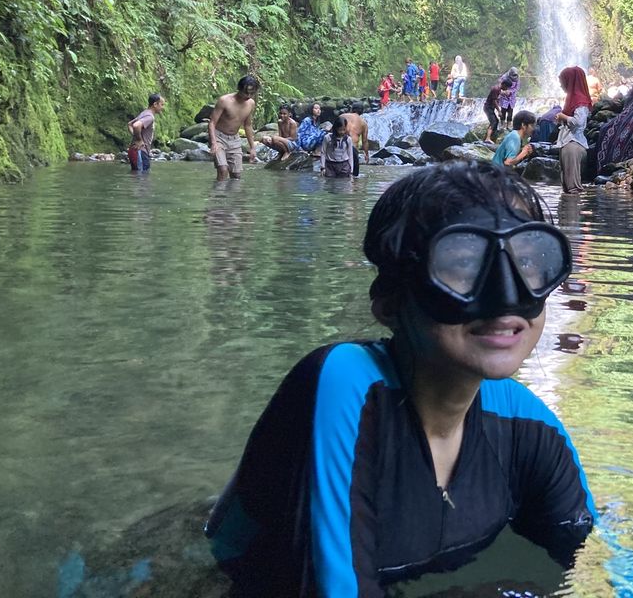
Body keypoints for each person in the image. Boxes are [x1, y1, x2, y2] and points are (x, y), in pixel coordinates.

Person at [205, 161, 596, 595]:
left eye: (528, 262)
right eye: (463, 265)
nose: (507, 297)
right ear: (390, 303)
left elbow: (603, 567)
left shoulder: (529, 424)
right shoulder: (346, 384)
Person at [208, 75, 260, 181]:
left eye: (252, 93)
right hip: (219, 137)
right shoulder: (224, 101)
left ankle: (233, 197)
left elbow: (248, 125)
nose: (249, 96)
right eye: (246, 92)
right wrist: (213, 143)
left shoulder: (251, 103)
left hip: (235, 139)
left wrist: (252, 147)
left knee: (236, 176)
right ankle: (218, 196)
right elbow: (212, 122)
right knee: (223, 169)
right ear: (239, 89)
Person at [555, 67, 591, 195]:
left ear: (569, 81)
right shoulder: (573, 100)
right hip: (569, 144)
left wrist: (562, 116)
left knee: (573, 188)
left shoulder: (579, 100)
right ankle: (569, 213)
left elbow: (579, 122)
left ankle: (572, 212)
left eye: (562, 81)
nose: (561, 85)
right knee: (568, 188)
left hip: (573, 145)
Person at [126, 92, 165, 172]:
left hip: (134, 151)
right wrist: (139, 140)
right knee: (142, 180)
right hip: (140, 152)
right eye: (162, 104)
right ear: (155, 104)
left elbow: (130, 124)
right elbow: (136, 125)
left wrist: (135, 137)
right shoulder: (149, 116)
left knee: (137, 178)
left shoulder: (144, 113)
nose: (162, 107)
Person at [338, 111, 371, 176]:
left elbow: (333, 132)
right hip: (353, 150)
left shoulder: (342, 116)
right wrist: (366, 154)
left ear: (351, 109)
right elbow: (365, 141)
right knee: (354, 176)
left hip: (340, 148)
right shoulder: (362, 122)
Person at [484, 79, 506, 144]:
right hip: (488, 108)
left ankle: (491, 138)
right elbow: (494, 101)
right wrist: (499, 111)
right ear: (504, 85)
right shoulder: (496, 89)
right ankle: (487, 138)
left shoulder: (498, 89)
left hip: (490, 108)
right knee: (493, 122)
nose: (507, 88)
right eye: (507, 87)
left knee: (496, 121)